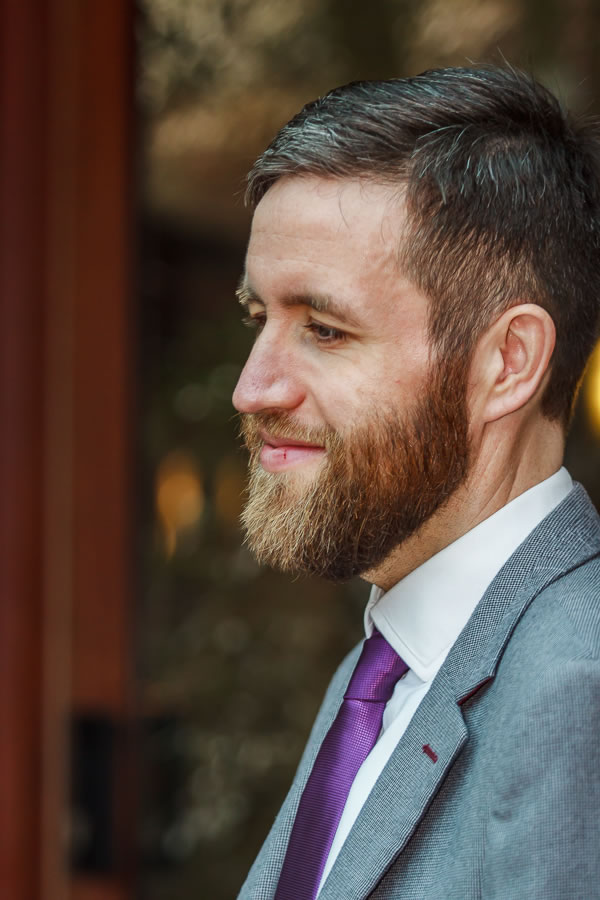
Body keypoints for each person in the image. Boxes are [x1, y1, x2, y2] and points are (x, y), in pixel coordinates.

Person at [231, 66, 600, 900]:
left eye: (325, 329)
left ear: (508, 363)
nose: (253, 389)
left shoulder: (578, 689)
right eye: (261, 318)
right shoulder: (390, 666)